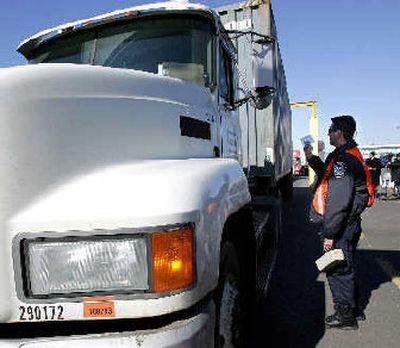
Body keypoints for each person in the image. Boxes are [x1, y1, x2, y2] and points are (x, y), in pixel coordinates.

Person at [304, 115, 370, 330]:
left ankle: (345, 315)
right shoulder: (345, 155)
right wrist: (311, 158)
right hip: (346, 224)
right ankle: (353, 309)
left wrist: (330, 233)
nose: (328, 134)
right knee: (346, 265)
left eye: (331, 130)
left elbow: (338, 202)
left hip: (340, 226)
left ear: (339, 133)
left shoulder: (344, 161)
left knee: (338, 269)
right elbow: (326, 174)